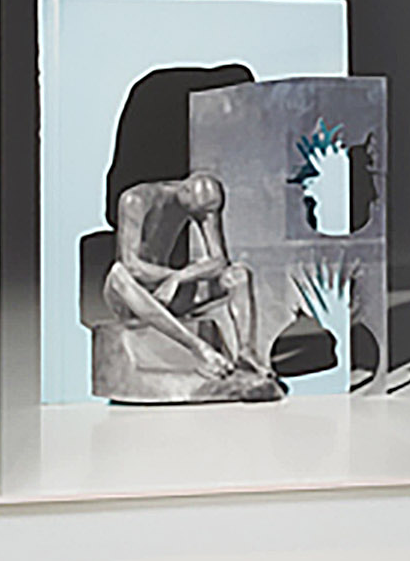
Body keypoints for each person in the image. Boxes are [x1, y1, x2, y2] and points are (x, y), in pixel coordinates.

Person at [100, 172, 279, 403]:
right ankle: (200, 349)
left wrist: (178, 278)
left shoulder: (202, 202)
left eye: (209, 213)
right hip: (133, 296)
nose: (205, 218)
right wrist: (171, 277)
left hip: (171, 291)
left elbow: (219, 260)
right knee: (118, 274)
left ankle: (246, 352)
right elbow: (132, 265)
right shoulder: (136, 200)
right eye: (200, 212)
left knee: (238, 274)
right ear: (184, 191)